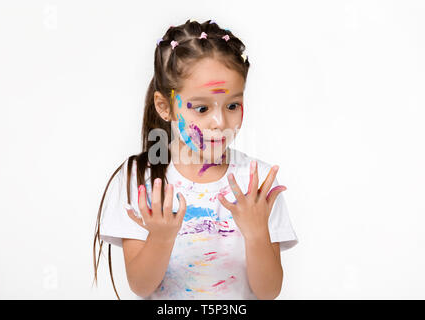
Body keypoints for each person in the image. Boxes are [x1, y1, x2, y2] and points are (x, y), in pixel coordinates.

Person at [93, 19, 298, 300]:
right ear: (165, 107)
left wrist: (256, 234)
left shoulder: (256, 182)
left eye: (233, 105)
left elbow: (269, 291)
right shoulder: (140, 178)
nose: (219, 122)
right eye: (202, 108)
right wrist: (161, 238)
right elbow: (141, 286)